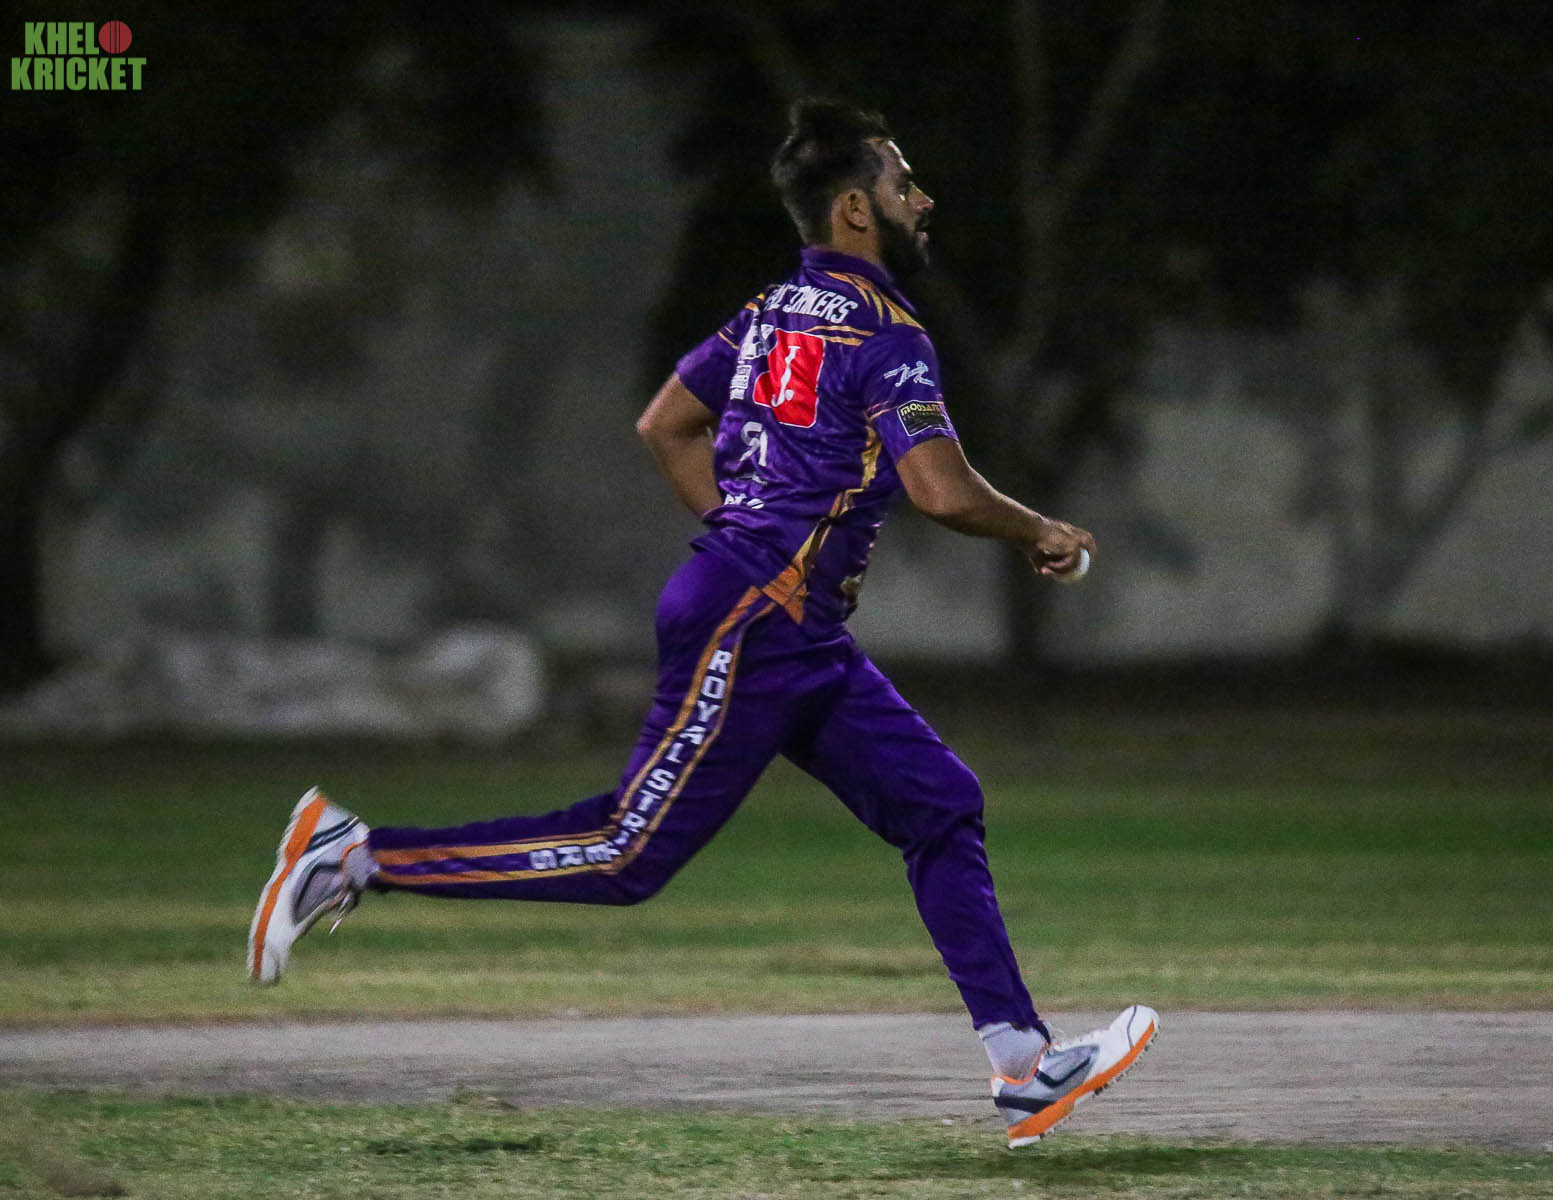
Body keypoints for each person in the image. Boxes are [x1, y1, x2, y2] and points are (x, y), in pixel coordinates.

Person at [247, 99, 1156, 1147]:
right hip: (755, 618)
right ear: (856, 210)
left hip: (788, 625)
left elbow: (664, 424)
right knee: (623, 854)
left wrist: (750, 533)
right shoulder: (886, 333)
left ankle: (1022, 1062)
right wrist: (1037, 528)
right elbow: (940, 490)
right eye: (904, 183)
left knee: (939, 804)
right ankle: (354, 856)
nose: (923, 199)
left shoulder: (769, 311)